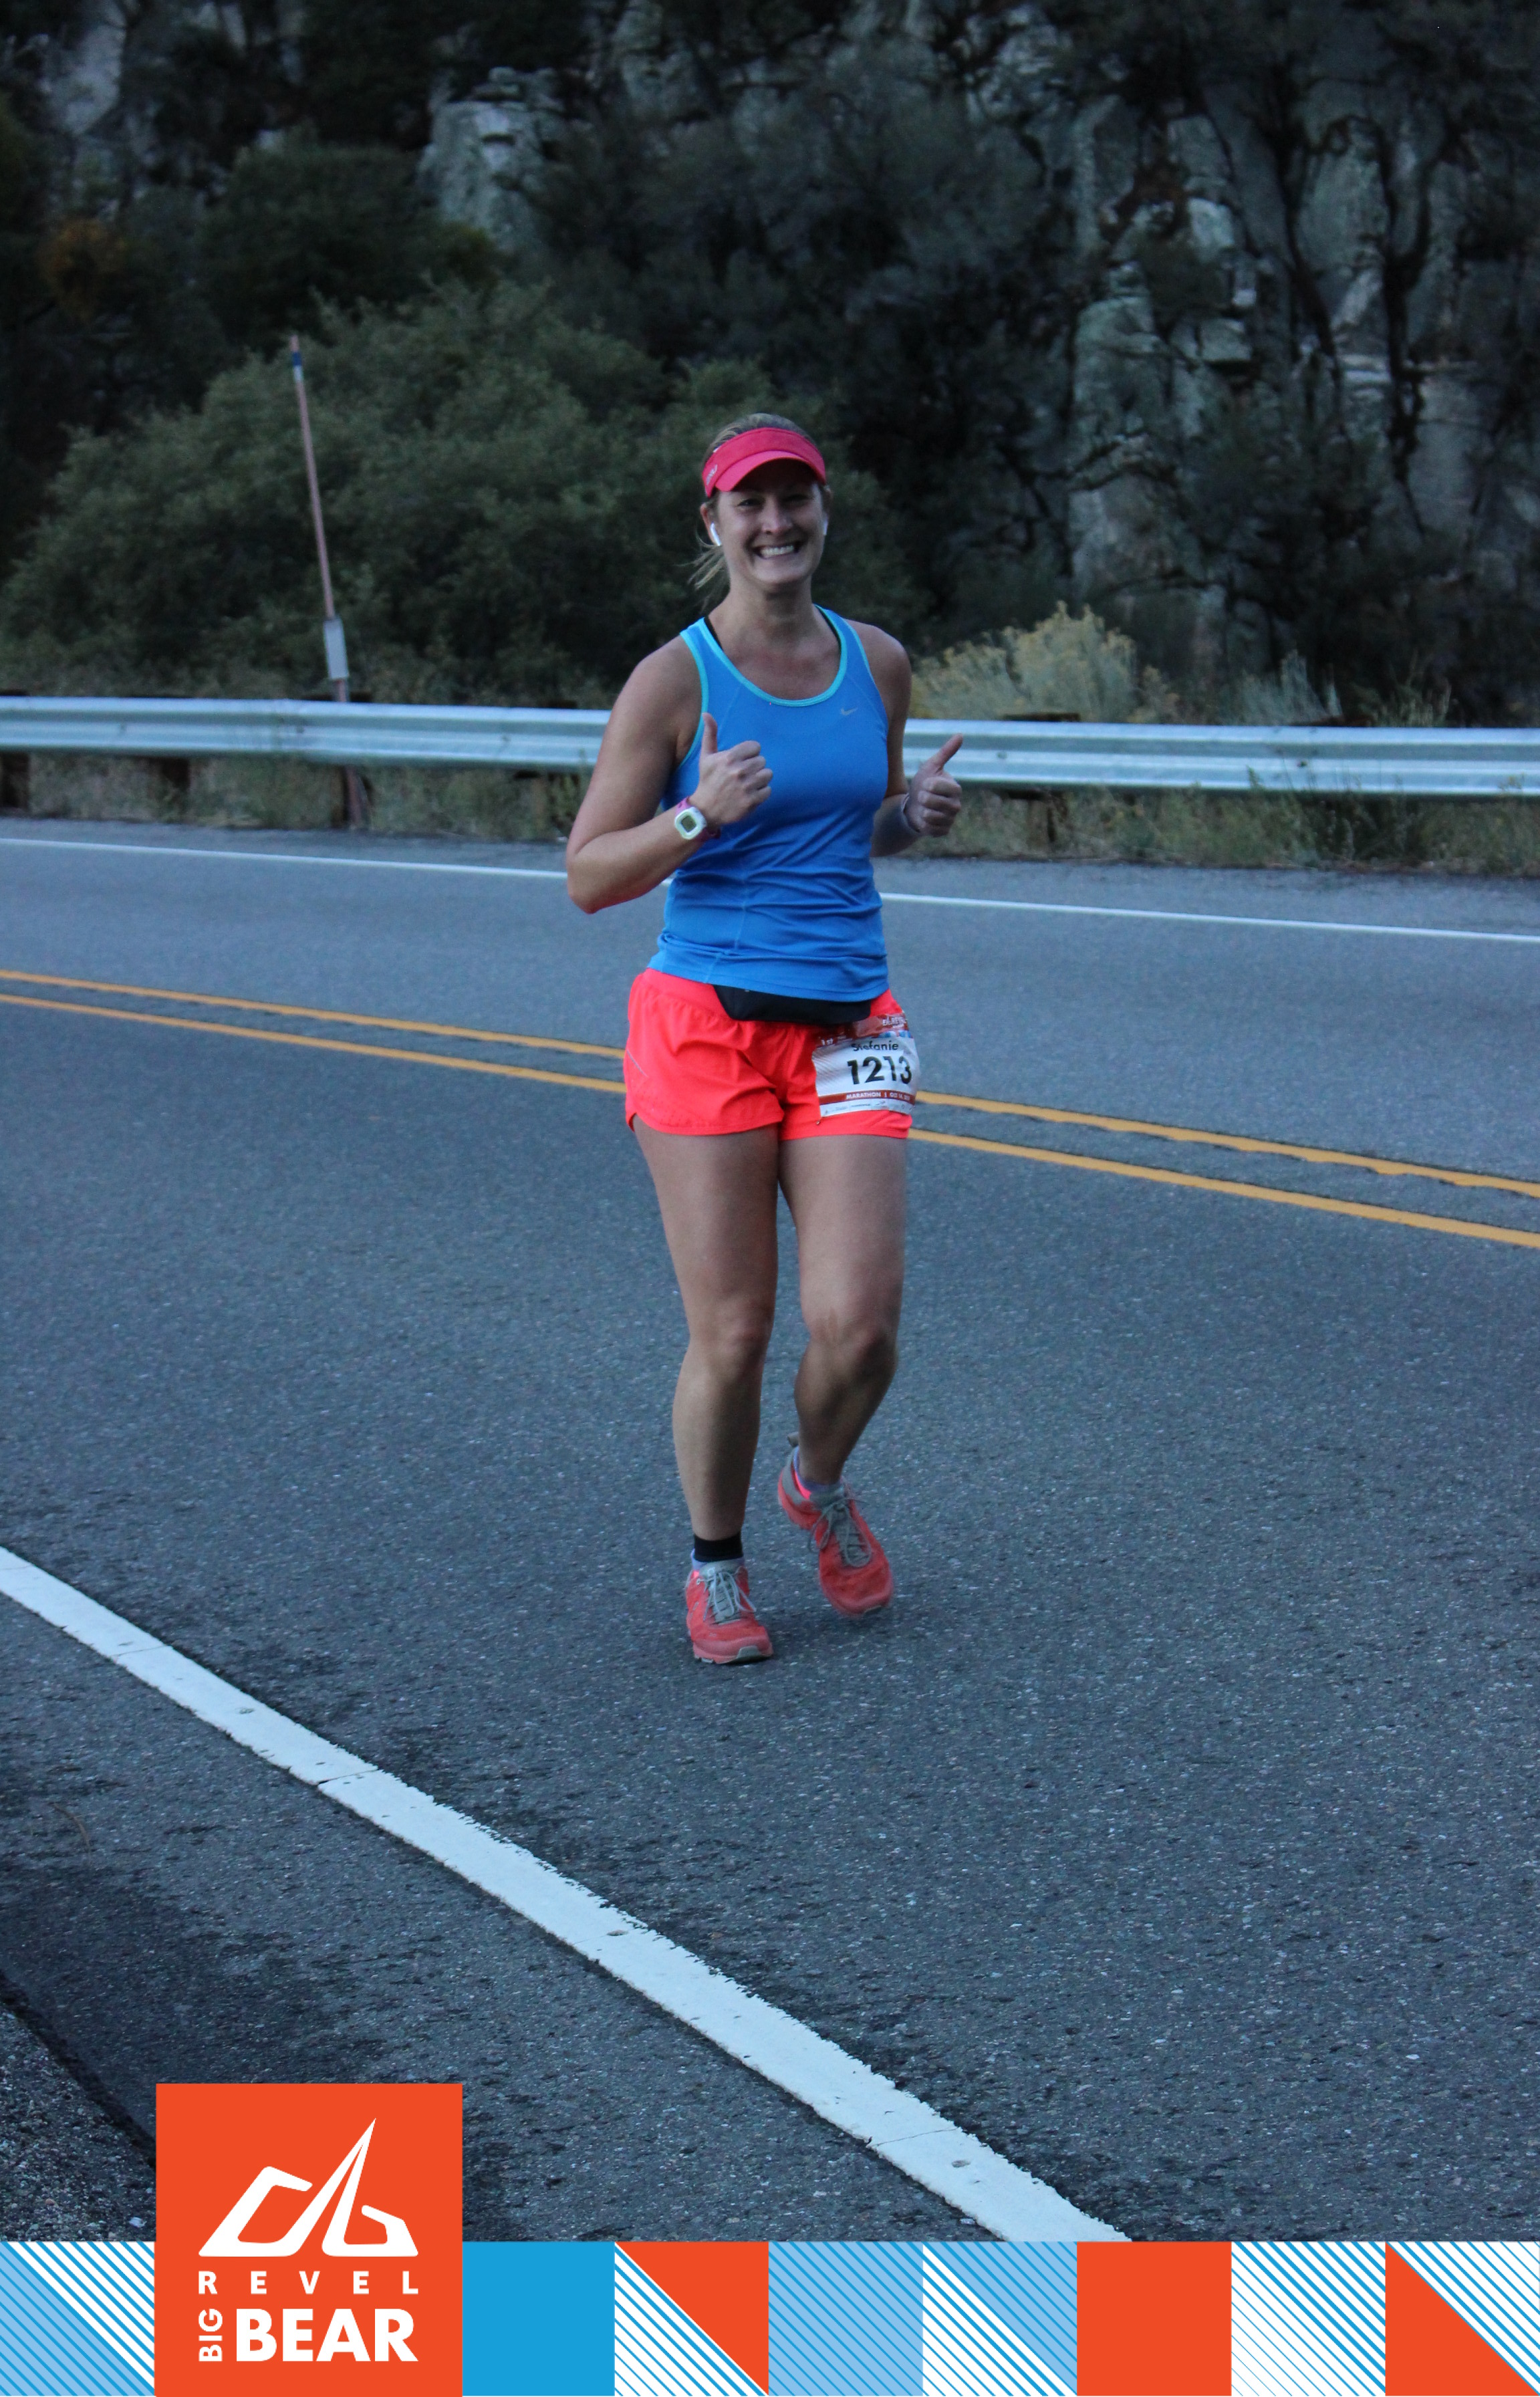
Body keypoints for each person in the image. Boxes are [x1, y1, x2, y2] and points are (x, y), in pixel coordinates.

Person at [566, 412, 962, 1662]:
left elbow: (858, 823)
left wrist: (911, 813)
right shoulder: (674, 680)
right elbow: (588, 873)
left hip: (849, 1020)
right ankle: (717, 1564)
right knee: (735, 1332)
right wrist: (696, 815)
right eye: (752, 503)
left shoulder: (876, 661)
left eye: (796, 500)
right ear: (716, 523)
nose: (777, 523)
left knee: (862, 1328)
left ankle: (815, 1481)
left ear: (824, 512)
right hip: (708, 1026)